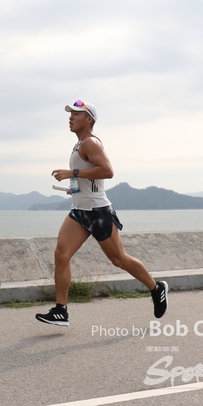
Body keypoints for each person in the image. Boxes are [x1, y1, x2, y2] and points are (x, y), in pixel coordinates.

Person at [35, 100, 168, 327]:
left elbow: (107, 171)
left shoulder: (91, 143)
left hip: (98, 212)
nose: (71, 117)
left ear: (89, 119)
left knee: (119, 260)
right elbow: (90, 175)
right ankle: (60, 310)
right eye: (70, 114)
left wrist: (71, 173)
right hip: (79, 211)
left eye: (76, 114)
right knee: (61, 254)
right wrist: (74, 187)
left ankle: (156, 288)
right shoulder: (78, 145)